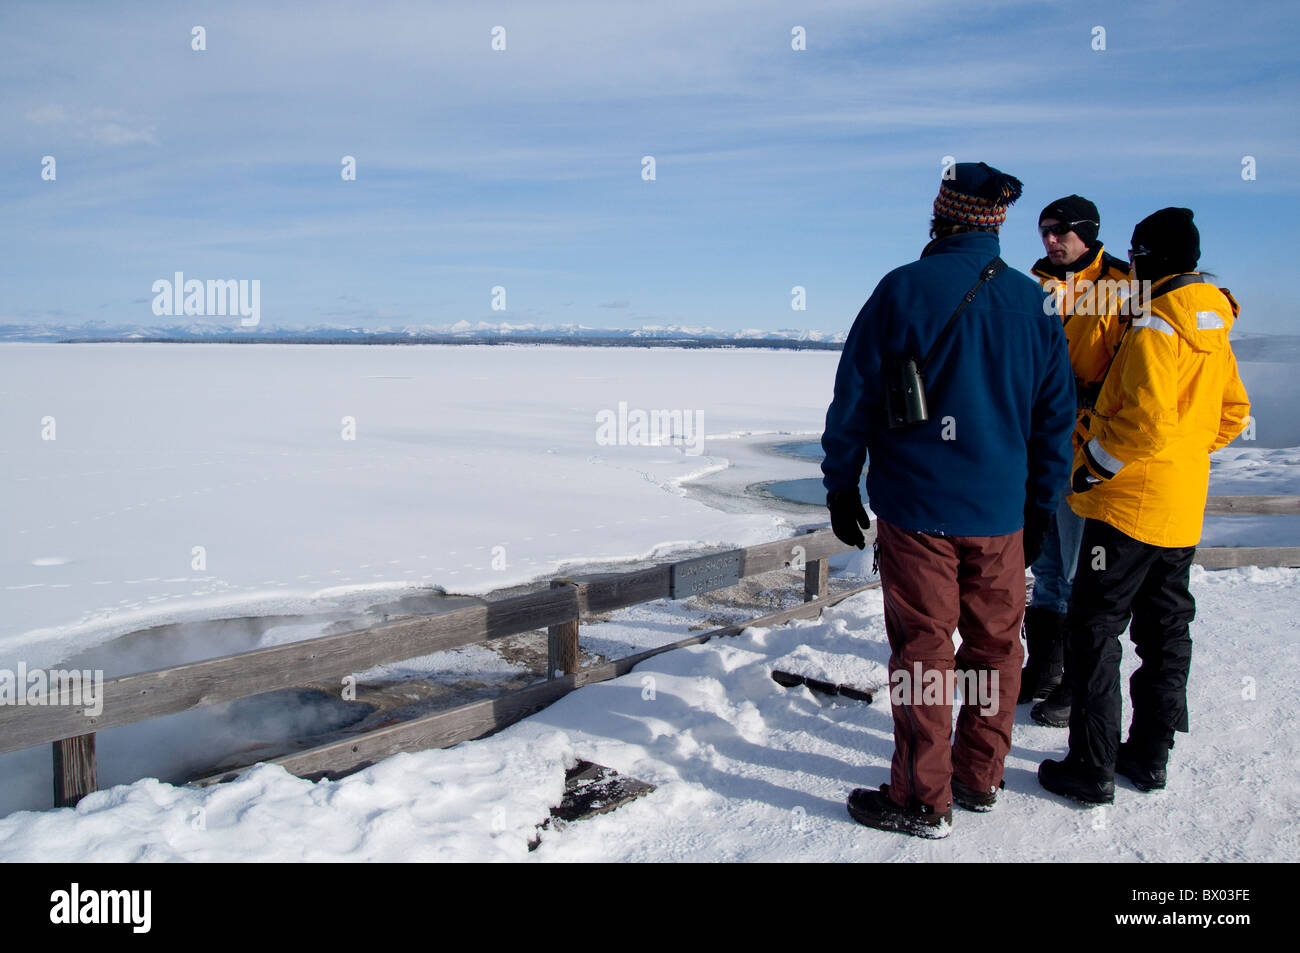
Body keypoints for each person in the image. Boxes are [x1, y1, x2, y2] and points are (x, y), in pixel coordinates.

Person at [821, 162, 1075, 837]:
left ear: (941, 215)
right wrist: (1042, 507)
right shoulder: (1035, 304)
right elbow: (1056, 421)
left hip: (918, 511)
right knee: (996, 647)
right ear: (995, 222)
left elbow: (854, 397)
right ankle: (978, 777)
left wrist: (841, 479)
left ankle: (920, 798)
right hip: (1001, 515)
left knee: (923, 652)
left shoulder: (902, 289)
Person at [1038, 207, 1250, 804]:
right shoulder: (1211, 322)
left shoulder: (1157, 323)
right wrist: (1184, 455)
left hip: (1127, 508)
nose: (1131, 265)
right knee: (1165, 631)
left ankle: (1091, 766)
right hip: (1181, 507)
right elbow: (1233, 413)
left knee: (1094, 629)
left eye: (1136, 255)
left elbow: (1146, 423)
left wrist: (1091, 469)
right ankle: (1150, 757)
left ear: (1148, 257)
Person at [1020, 196, 1134, 726]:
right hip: (1037, 443)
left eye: (1060, 231)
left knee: (1072, 567)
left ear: (1087, 231)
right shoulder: (1032, 283)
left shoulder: (1123, 284)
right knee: (1042, 561)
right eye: (1044, 231)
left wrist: (1087, 399)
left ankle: (1069, 678)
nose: (1050, 240)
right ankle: (1041, 667)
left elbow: (1139, 363)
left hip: (1086, 449)